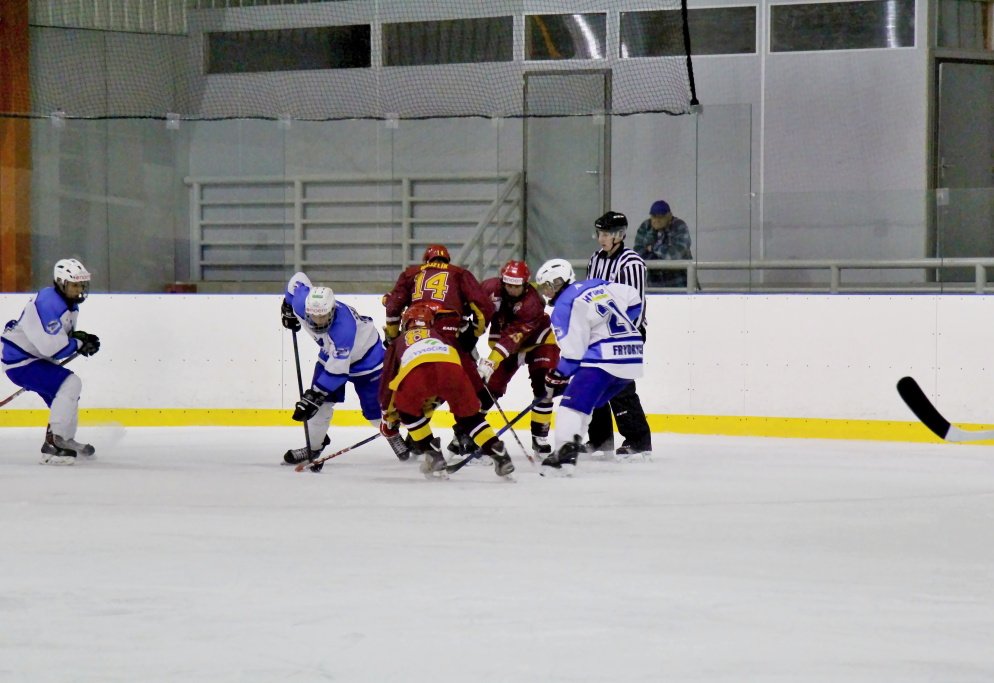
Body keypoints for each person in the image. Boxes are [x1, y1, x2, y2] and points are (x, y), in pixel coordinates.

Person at [533, 258, 644, 475]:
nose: (545, 292)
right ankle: (572, 446)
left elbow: (573, 355)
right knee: (585, 404)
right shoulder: (597, 284)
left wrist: (558, 374)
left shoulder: (563, 306)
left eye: (547, 286)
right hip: (632, 355)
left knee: (570, 405)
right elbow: (634, 298)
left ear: (558, 282)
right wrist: (618, 331)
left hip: (604, 358)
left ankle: (563, 457)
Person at [379, 302, 513, 479]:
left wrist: (388, 414)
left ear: (405, 324)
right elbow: (466, 363)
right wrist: (478, 390)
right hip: (452, 369)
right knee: (469, 417)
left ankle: (432, 453)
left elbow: (388, 381)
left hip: (418, 371)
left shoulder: (398, 342)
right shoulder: (442, 336)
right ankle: (496, 450)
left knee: (407, 412)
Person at [383, 244, 495, 456]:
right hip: (449, 335)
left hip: (416, 336)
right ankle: (465, 435)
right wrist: (474, 333)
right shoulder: (459, 273)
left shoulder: (411, 273)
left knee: (414, 383)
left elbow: (393, 306)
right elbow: (484, 307)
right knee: (469, 386)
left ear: (427, 260)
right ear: (447, 260)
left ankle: (414, 431)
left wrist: (393, 336)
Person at [1, 258, 101, 465]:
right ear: (61, 283)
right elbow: (53, 348)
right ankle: (53, 445)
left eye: (82, 285)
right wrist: (79, 344)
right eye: (74, 285)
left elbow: (59, 339)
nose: (79, 289)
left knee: (66, 394)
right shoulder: (47, 303)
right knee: (70, 384)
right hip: (20, 361)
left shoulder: (69, 302)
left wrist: (79, 339)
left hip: (34, 358)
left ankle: (64, 439)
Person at [280, 272, 384, 469]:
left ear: (333, 310)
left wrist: (314, 395)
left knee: (376, 414)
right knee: (319, 409)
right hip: (331, 354)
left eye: (324, 316)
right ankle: (313, 448)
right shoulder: (301, 302)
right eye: (314, 316)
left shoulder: (343, 330)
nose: (319, 321)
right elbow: (297, 278)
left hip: (367, 359)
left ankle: (412, 436)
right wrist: (287, 306)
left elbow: (337, 373)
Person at [584, 210, 653, 460]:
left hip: (626, 333)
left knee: (620, 386)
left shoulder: (631, 263)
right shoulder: (596, 259)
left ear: (620, 235)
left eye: (606, 234)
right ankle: (600, 439)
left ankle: (639, 441)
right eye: (599, 233)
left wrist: (620, 335)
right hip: (599, 333)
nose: (601, 238)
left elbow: (635, 306)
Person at [477, 260, 559, 459]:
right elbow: (476, 311)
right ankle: (466, 434)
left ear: (525, 283)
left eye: (516, 286)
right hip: (505, 346)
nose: (512, 289)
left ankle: (540, 436)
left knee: (544, 385)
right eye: (508, 285)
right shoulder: (489, 288)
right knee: (489, 388)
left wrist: (491, 361)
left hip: (538, 342)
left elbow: (512, 337)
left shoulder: (532, 303)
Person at [633, 200, 692, 288]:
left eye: (660, 217)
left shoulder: (679, 226)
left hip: (679, 284)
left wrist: (653, 248)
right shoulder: (645, 226)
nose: (656, 220)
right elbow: (638, 254)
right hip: (654, 285)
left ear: (669, 216)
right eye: (653, 216)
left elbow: (675, 255)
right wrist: (659, 256)